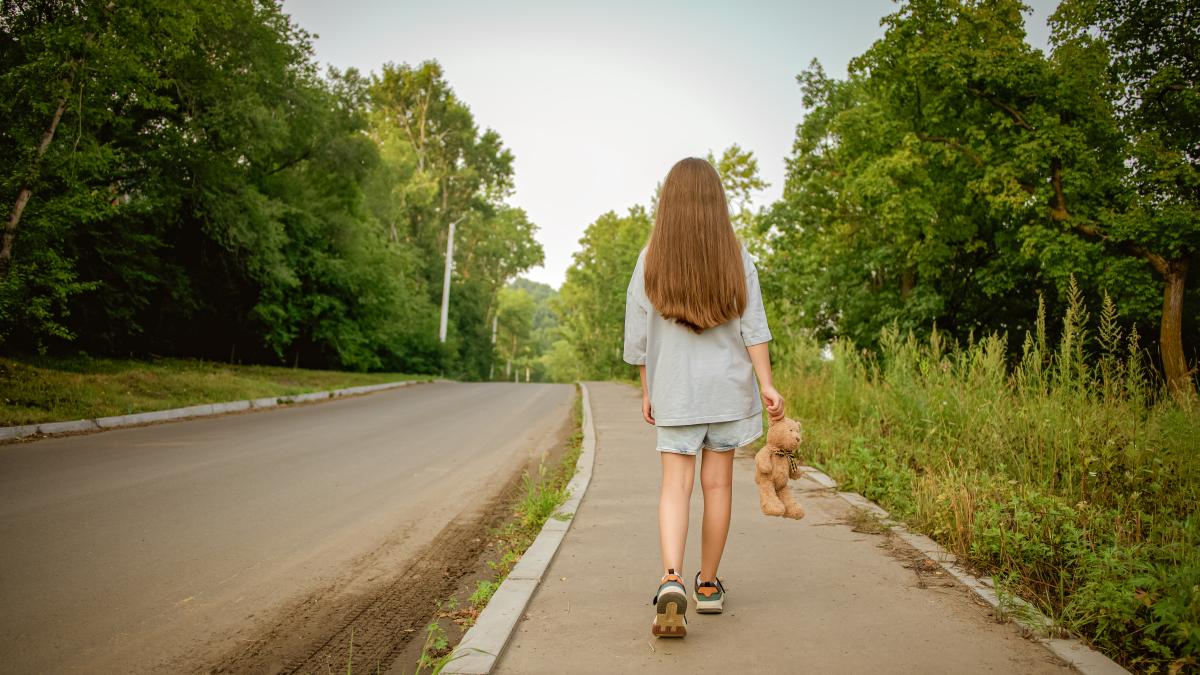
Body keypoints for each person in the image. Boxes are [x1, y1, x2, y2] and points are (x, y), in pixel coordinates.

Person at [623, 156, 785, 639]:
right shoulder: (736, 254)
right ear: (718, 201)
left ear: (667, 202)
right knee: (718, 487)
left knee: (676, 486)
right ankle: (708, 585)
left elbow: (639, 333)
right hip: (727, 390)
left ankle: (670, 578)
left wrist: (648, 388)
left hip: (676, 390)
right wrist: (767, 384)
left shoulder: (652, 255)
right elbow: (753, 327)